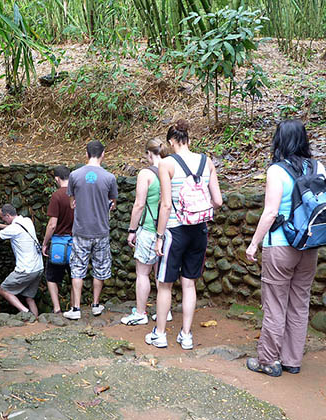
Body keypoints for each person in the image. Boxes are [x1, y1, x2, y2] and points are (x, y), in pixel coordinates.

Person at [245, 119, 326, 377]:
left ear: (279, 140)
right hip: (309, 244)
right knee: (300, 303)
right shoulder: (319, 167)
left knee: (275, 304)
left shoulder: (276, 171)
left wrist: (254, 243)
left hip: (281, 245)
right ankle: (292, 359)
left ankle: (269, 360)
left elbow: (270, 213)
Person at [146, 120, 222, 349]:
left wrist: (159, 236)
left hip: (174, 231)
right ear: (189, 138)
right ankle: (186, 335)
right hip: (199, 230)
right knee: (189, 284)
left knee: (165, 284)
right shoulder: (206, 161)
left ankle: (160, 334)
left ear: (170, 141)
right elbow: (217, 201)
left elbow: (166, 205)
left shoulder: (167, 164)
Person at [64, 140, 118, 320]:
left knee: (78, 268)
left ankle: (76, 308)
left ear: (86, 154)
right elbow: (112, 204)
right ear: (103, 154)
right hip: (101, 230)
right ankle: (95, 305)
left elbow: (72, 202)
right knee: (100, 268)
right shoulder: (110, 178)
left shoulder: (74, 175)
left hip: (80, 230)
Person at [121, 138, 170, 326]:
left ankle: (141, 313)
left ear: (149, 154)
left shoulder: (146, 174)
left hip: (149, 228)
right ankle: (164, 312)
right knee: (161, 274)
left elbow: (139, 204)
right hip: (167, 229)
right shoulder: (170, 169)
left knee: (143, 273)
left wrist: (132, 230)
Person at [41, 166, 74, 313]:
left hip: (59, 243)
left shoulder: (57, 196)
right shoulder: (77, 194)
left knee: (52, 277)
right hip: (76, 242)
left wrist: (45, 243)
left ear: (57, 179)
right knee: (75, 276)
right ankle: (75, 307)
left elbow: (52, 224)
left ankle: (57, 308)